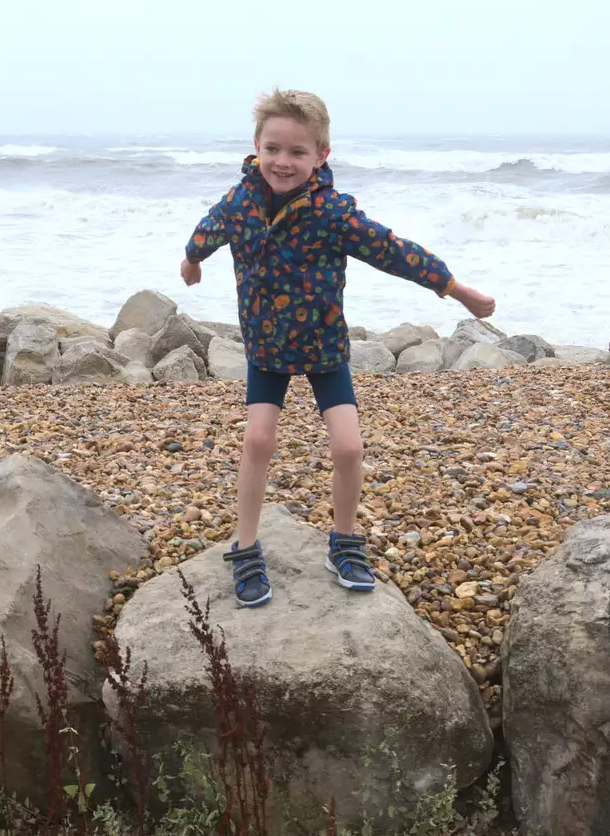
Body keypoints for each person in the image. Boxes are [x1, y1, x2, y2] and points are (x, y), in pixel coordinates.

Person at [180, 89, 496, 607]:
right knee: (258, 441)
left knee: (349, 447)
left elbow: (394, 251)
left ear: (321, 155)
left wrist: (455, 289)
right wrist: (192, 260)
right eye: (273, 149)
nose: (283, 162)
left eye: (297, 152)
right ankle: (245, 545)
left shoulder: (333, 213)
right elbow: (208, 230)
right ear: (256, 146)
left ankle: (344, 542)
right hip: (265, 347)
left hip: (325, 349)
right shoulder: (240, 202)